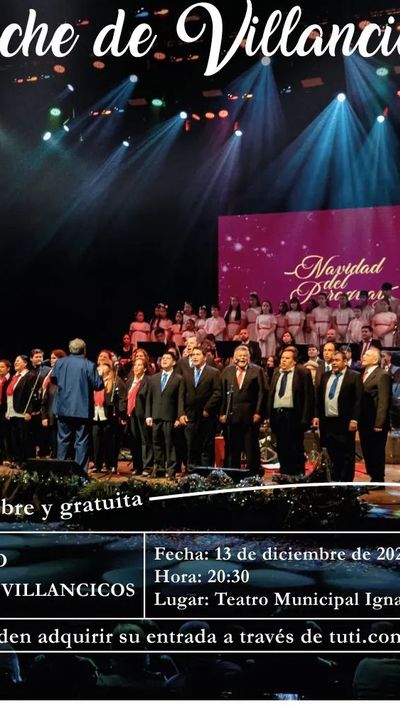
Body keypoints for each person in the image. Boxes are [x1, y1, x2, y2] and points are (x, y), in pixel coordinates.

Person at [52, 338, 104, 472]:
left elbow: (54, 379)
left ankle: (61, 473)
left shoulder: (60, 363)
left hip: (63, 408)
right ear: (84, 350)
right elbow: (98, 385)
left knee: (63, 440)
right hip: (82, 409)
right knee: (82, 441)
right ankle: (80, 473)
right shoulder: (89, 365)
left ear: (70, 350)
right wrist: (100, 375)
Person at [313, 350, 362, 482]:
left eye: (337, 360)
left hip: (345, 421)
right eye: (332, 360)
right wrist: (317, 416)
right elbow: (319, 398)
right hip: (327, 421)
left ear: (345, 362)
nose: (334, 363)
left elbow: (358, 400)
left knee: (346, 452)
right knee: (330, 451)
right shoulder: (325, 376)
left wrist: (354, 419)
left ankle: (346, 481)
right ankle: (333, 479)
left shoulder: (354, 376)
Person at [268, 346, 314, 480]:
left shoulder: (302, 372)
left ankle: (298, 475)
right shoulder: (276, 372)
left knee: (295, 446)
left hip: (294, 415)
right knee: (281, 446)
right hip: (278, 415)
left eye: (287, 358)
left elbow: (308, 397)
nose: (283, 360)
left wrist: (306, 418)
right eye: (282, 358)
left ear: (294, 361)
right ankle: (285, 473)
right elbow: (271, 394)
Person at [220, 345, 267, 474]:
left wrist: (258, 412)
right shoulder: (227, 371)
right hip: (231, 417)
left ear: (249, 358)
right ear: (234, 358)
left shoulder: (257, 371)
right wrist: (222, 413)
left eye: (245, 356)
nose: (242, 358)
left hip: (250, 417)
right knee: (232, 447)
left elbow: (262, 393)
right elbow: (222, 393)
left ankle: (253, 474)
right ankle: (233, 474)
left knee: (251, 446)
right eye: (239, 356)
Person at [179, 346, 221, 471]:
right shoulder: (187, 373)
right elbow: (181, 395)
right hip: (190, 416)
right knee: (191, 445)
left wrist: (207, 408)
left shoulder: (214, 372)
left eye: (198, 354)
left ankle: (206, 472)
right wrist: (181, 413)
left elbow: (217, 393)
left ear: (205, 357)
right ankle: (192, 472)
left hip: (207, 416)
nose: (195, 357)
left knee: (206, 446)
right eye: (193, 355)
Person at [145, 352, 183, 479]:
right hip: (156, 416)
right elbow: (149, 398)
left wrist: (179, 417)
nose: (164, 360)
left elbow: (180, 399)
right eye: (163, 358)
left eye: (168, 358)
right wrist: (148, 415)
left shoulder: (178, 379)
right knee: (156, 444)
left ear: (174, 362)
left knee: (170, 444)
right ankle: (159, 469)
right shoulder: (154, 378)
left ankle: (171, 470)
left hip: (170, 416)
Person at [358, 347, 391, 484]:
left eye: (367, 355)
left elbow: (384, 401)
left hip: (375, 422)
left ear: (375, 359)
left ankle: (378, 479)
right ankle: (373, 476)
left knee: (376, 451)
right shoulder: (363, 374)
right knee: (367, 450)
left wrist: (379, 423)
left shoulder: (382, 375)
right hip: (364, 420)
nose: (363, 356)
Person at [92, 362, 127, 473]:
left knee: (110, 441)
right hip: (96, 415)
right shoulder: (95, 381)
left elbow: (122, 398)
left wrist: (122, 413)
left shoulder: (116, 381)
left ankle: (111, 464)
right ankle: (97, 464)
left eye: (101, 368)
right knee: (96, 441)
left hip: (110, 415)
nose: (99, 369)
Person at [5, 354, 38, 465]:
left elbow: (33, 396)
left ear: (25, 363)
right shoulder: (15, 377)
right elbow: (10, 395)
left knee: (24, 438)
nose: (15, 362)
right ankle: (16, 460)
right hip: (12, 412)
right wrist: (7, 410)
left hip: (22, 412)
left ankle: (26, 461)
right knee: (14, 438)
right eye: (15, 360)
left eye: (18, 361)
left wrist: (29, 411)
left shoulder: (30, 376)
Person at [126, 358, 153, 476]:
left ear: (145, 368)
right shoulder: (129, 381)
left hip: (142, 414)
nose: (136, 367)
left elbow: (149, 399)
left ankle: (147, 467)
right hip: (131, 415)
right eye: (135, 365)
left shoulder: (148, 381)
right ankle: (137, 466)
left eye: (139, 365)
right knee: (134, 441)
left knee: (145, 441)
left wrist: (149, 415)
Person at [41, 349, 67, 457]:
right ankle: (55, 455)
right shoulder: (50, 376)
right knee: (53, 438)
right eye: (51, 358)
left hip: (64, 413)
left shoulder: (66, 375)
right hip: (52, 412)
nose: (51, 360)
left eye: (54, 358)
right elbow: (45, 399)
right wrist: (44, 416)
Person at [0, 360, 11, 464]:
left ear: (8, 368)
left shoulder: (11, 380)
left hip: (7, 410)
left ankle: (8, 457)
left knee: (6, 434)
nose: (0, 369)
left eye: (2, 367)